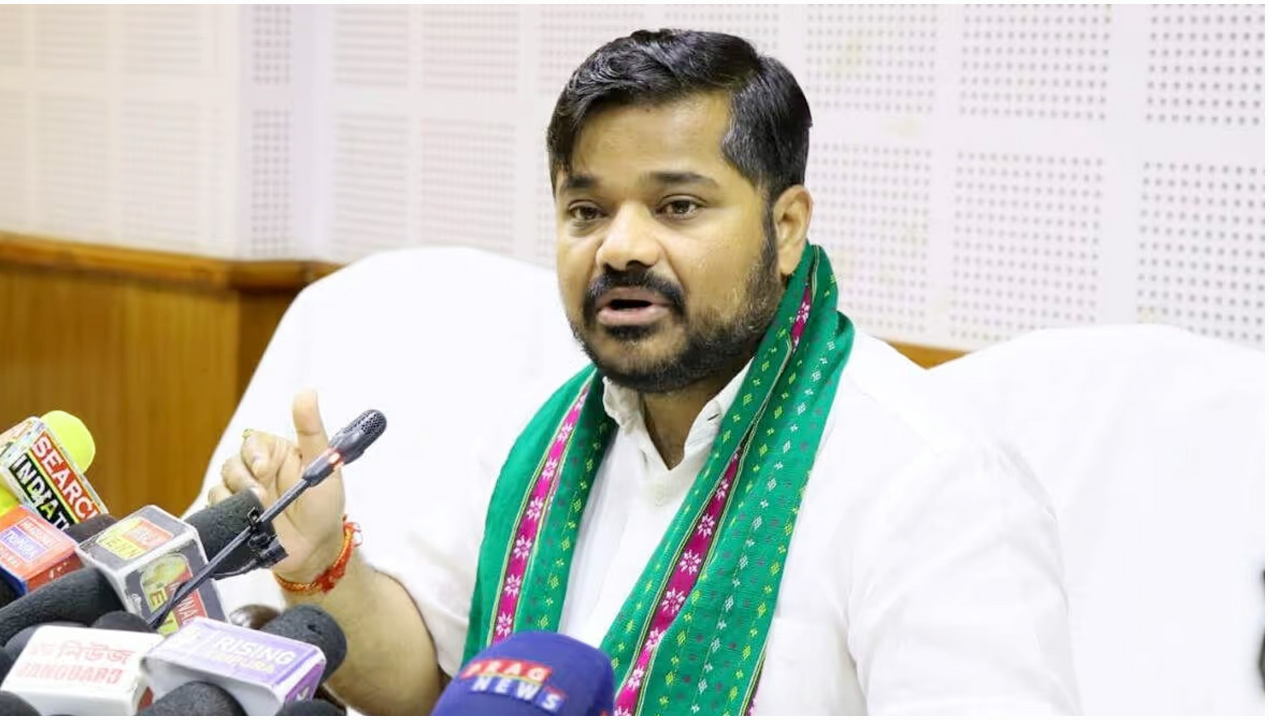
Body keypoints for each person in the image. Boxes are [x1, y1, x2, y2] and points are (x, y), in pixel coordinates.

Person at [209, 30, 1079, 715]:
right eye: (587, 210)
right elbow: (429, 683)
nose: (621, 247)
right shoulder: (538, 435)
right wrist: (320, 559)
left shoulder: (932, 478)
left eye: (678, 206)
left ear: (785, 228)